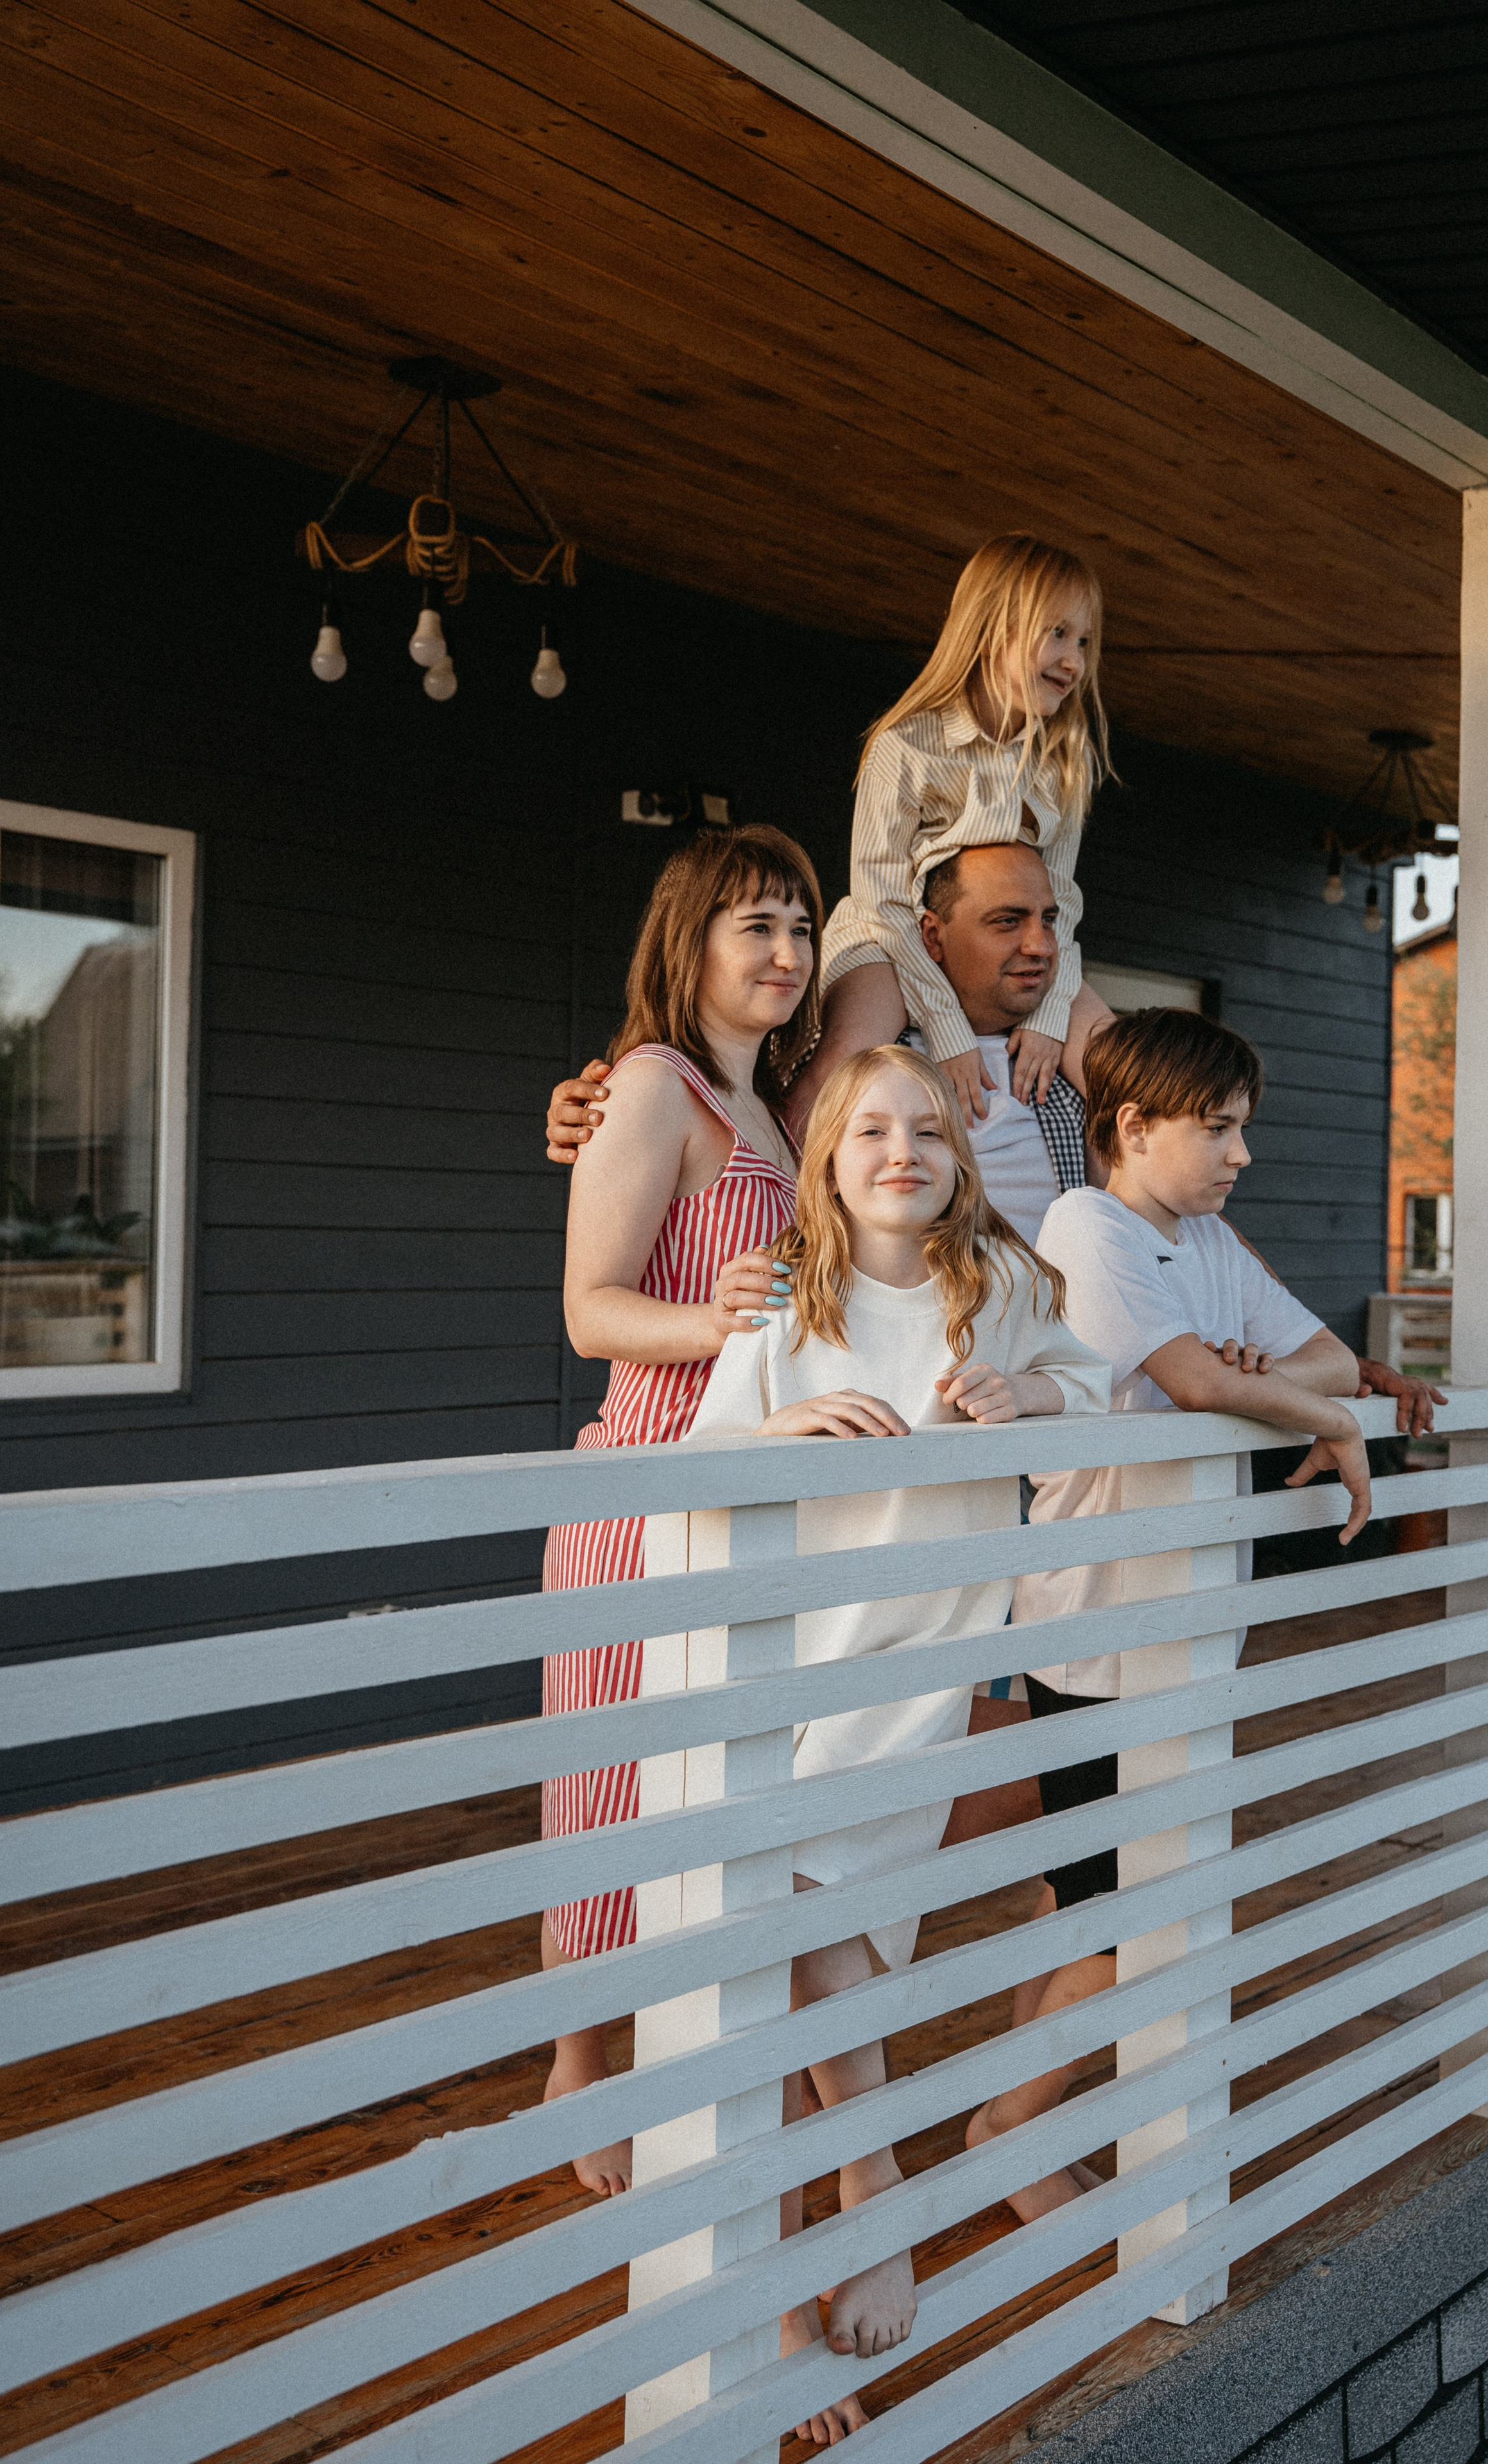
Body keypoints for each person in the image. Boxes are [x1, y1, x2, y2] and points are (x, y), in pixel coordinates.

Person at [680, 1041, 1110, 2440]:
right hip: (795, 1675)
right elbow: (691, 1470)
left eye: (926, 1129)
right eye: (869, 1129)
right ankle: (863, 2200)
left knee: (805, 1967)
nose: (899, 1152)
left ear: (957, 1152)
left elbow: (1102, 1399)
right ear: (826, 1154)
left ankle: (794, 2300)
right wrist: (780, 1425)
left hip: (926, 1673)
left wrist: (1030, 1400)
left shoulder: (1008, 1289)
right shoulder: (778, 1301)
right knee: (807, 1959)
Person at [543, 843, 1446, 1438]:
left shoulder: (1060, 1086)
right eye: (1006, 921)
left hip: (1003, 1417)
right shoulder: (867, 1091)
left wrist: (1338, 1362)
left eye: (1051, 921)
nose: (1039, 945)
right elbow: (625, 1279)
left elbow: (1176, 1207)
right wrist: (607, 1098)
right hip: (787, 1440)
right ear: (933, 938)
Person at [968, 1007, 1375, 2218]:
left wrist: (1279, 1388)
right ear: (1133, 1127)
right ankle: (1010, 2131)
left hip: (1180, 1628)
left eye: (1242, 1128)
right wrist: (1299, 1409)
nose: (1240, 1153)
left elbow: (1332, 1363)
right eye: (1218, 1127)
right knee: (1129, 1909)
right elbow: (1208, 1379)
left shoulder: (1203, 1238)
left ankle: (1013, 2119)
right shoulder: (1086, 1225)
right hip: (1094, 1624)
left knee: (1091, 1894)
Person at [543, 823, 821, 2198]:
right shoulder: (650, 1088)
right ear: (691, 943)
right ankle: (579, 2063)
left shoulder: (775, 1104)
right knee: (609, 1783)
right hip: (644, 1489)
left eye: (799, 927)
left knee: (713, 1786)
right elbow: (589, 1310)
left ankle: (687, 2038)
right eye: (754, 926)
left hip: (746, 1497)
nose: (784, 953)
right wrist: (703, 1320)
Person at [788, 533, 1118, 1137]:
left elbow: (1060, 903)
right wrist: (946, 1028)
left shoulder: (1064, 763)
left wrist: (1049, 1015)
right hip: (892, 943)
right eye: (1057, 634)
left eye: (1085, 641)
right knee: (842, 1061)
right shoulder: (905, 748)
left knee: (1123, 1071)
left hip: (1004, 945)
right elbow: (882, 901)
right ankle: (781, 1207)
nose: (1074, 660)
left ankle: (1135, 1220)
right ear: (992, 629)